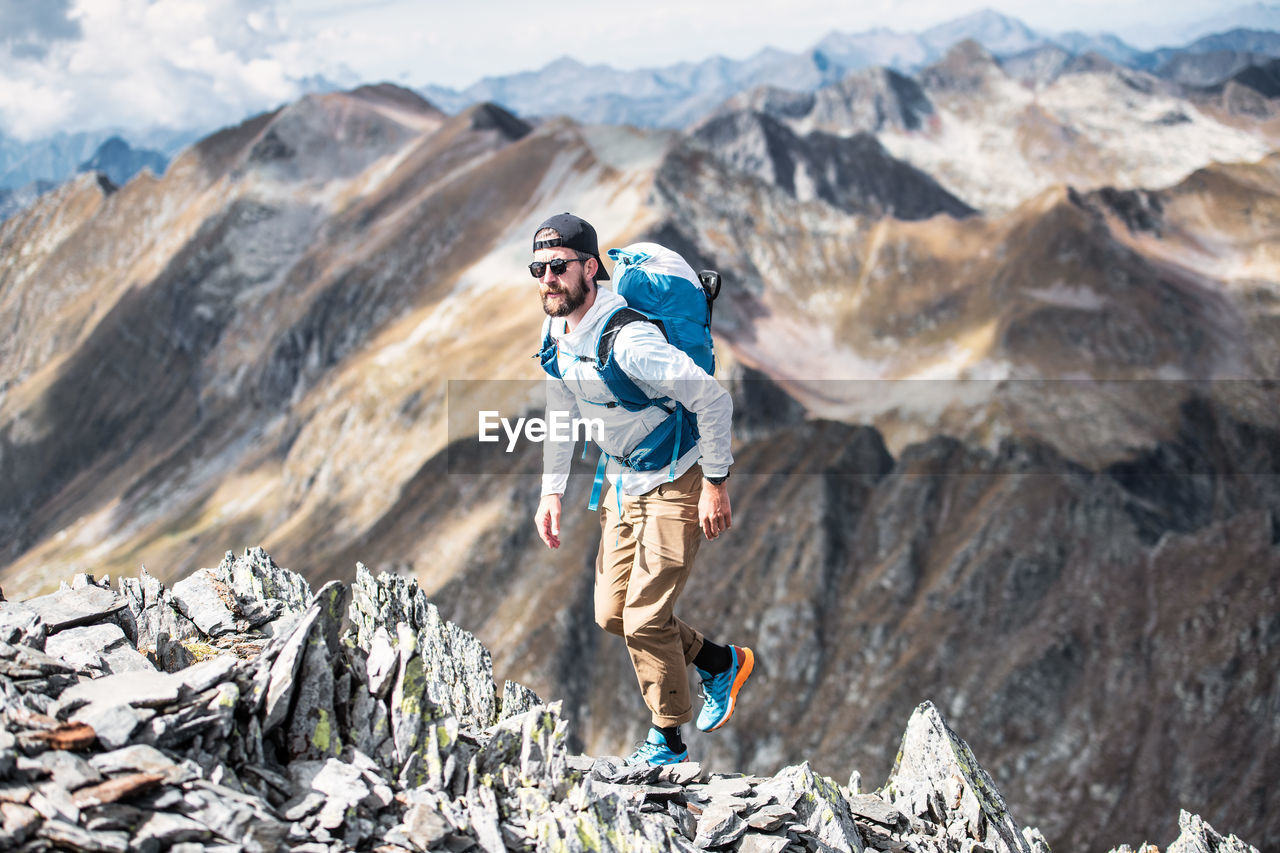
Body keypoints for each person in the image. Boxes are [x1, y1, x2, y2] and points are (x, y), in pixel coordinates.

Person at [530, 212, 754, 766]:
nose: (548, 279)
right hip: (622, 481)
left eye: (559, 266)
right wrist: (551, 491)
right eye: (538, 268)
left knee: (645, 620)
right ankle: (719, 663)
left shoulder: (628, 339)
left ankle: (668, 742)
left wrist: (716, 484)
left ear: (589, 266)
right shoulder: (556, 332)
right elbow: (561, 406)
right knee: (612, 614)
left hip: (679, 478)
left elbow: (712, 400)